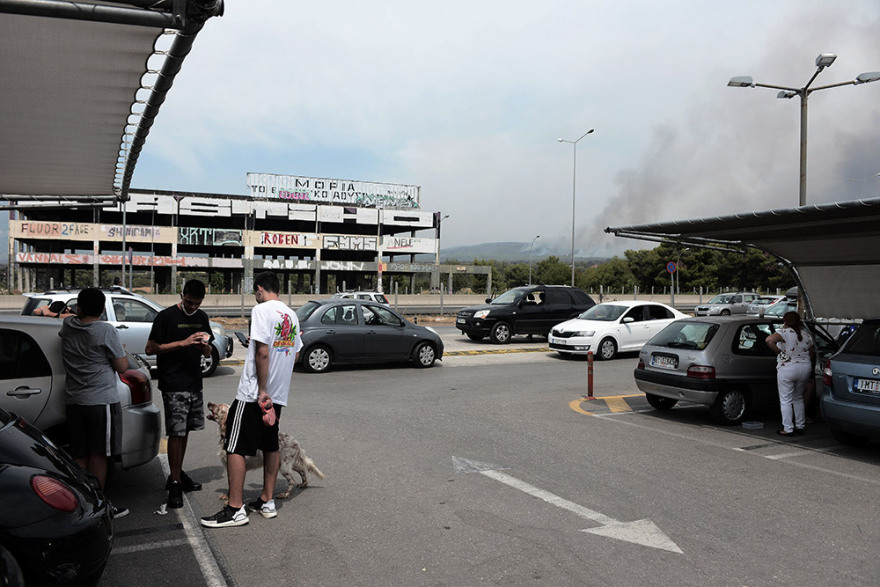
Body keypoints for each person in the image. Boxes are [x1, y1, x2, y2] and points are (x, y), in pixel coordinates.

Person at [201, 272, 302, 528]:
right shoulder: (291, 315)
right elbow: (295, 354)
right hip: (277, 396)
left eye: (254, 291)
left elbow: (263, 353)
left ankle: (235, 509)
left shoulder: (261, 310)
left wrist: (262, 389)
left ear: (259, 289)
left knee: (233, 446)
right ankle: (267, 501)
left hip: (254, 394)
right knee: (270, 445)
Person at [60, 287, 129, 519]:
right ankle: (98, 508)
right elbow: (122, 367)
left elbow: (67, 317)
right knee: (99, 454)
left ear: (79, 308)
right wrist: (120, 352)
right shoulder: (105, 330)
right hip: (101, 402)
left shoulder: (68, 325)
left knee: (79, 454)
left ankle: (81, 505)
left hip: (74, 401)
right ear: (102, 309)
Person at [146, 279, 213, 508]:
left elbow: (208, 350)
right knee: (176, 433)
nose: (192, 307)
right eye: (189, 302)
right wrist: (182, 343)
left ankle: (177, 473)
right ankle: (174, 482)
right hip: (173, 383)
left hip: (194, 382)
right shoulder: (165, 317)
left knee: (185, 432)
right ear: (181, 295)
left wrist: (204, 347)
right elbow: (150, 348)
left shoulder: (202, 317)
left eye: (197, 303)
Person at [766, 311, 815, 437]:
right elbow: (811, 352)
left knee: (785, 399)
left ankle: (788, 428)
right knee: (798, 397)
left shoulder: (784, 332)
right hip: (805, 368)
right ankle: (800, 425)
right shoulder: (806, 335)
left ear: (785, 321)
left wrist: (780, 353)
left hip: (788, 368)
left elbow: (769, 340)